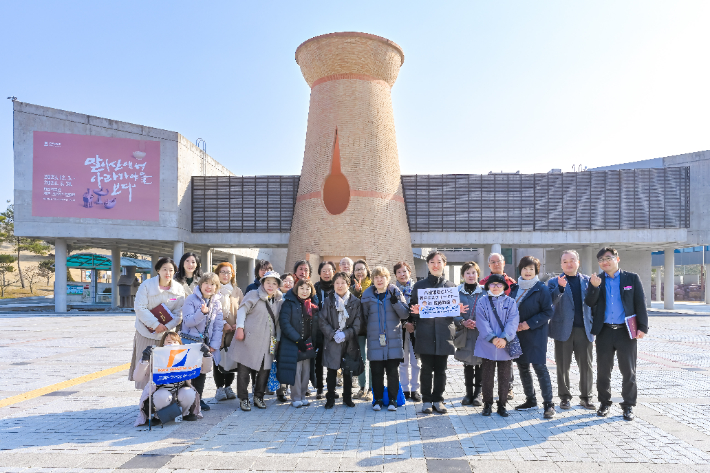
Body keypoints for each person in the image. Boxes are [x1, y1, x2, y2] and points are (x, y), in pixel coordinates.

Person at [585, 247, 648, 421]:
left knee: (628, 371)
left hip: (626, 331)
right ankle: (604, 403)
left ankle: (628, 405)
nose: (605, 262)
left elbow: (640, 304)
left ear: (617, 259)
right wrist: (594, 287)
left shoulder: (631, 278)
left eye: (608, 258)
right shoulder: (597, 280)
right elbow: (589, 302)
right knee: (603, 371)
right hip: (604, 331)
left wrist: (643, 327)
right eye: (601, 260)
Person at [410, 250, 466, 414]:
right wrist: (415, 310)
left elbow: (453, 313)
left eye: (439, 262)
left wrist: (458, 310)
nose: (436, 265)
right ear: (428, 264)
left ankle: (438, 400)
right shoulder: (419, 286)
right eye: (432, 262)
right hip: (425, 333)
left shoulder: (450, 287)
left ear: (444, 265)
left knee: (441, 370)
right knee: (426, 369)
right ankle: (426, 400)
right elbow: (412, 311)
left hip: (444, 334)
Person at [228, 270, 284, 411]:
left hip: (268, 341)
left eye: (274, 283)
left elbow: (278, 321)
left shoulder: (278, 299)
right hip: (249, 338)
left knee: (265, 369)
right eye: (267, 282)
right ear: (262, 282)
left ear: (278, 285)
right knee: (244, 370)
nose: (270, 286)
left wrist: (277, 340)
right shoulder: (253, 294)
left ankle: (259, 396)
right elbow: (242, 310)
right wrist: (240, 328)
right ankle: (243, 398)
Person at [547, 250, 595, 410]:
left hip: (584, 330)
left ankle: (586, 397)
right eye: (565, 261)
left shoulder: (588, 281)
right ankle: (564, 397)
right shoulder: (554, 281)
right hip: (562, 330)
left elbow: (595, 303)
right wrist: (560, 289)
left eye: (572, 260)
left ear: (578, 262)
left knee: (586, 366)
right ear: (561, 264)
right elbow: (550, 302)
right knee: (562, 366)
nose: (569, 263)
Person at [509, 256, 555, 418]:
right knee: (522, 366)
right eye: (525, 268)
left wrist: (528, 323)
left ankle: (549, 403)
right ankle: (530, 399)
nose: (528, 272)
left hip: (535, 334)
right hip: (518, 335)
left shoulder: (541, 288)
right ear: (520, 270)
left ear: (536, 271)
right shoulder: (515, 288)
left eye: (531, 269)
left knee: (539, 367)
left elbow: (548, 311)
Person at [133, 332, 211, 426]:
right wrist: (145, 359)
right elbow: (137, 377)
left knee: (189, 392)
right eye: (169, 341)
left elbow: (205, 369)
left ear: (180, 344)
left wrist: (206, 355)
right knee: (162, 395)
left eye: (175, 341)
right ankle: (158, 415)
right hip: (161, 390)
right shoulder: (156, 356)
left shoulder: (187, 355)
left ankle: (185, 413)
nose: (172, 344)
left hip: (180, 389)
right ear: (163, 344)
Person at [130, 257, 185, 390]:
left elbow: (179, 313)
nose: (168, 273)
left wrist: (167, 326)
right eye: (164, 269)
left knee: (165, 366)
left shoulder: (178, 289)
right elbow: (139, 307)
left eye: (171, 270)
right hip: (145, 332)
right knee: (145, 364)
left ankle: (163, 397)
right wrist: (155, 325)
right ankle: (146, 400)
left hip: (167, 336)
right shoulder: (146, 285)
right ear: (158, 270)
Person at [361, 266, 409, 411]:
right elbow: (363, 317)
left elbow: (405, 314)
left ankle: (393, 400)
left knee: (392, 372)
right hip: (375, 340)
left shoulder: (395, 292)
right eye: (376, 277)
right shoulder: (367, 295)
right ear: (373, 280)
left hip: (393, 340)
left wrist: (395, 302)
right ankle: (378, 400)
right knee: (376, 372)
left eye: (382, 277)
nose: (379, 280)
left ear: (388, 279)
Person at [475, 274, 520, 417]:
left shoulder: (511, 302)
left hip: (505, 344)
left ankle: (502, 404)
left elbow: (513, 321)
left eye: (499, 284)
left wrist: (505, 338)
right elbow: (481, 322)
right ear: (488, 286)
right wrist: (493, 338)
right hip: (487, 344)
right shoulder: (482, 301)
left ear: (504, 286)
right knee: (487, 376)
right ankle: (487, 404)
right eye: (492, 284)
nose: (495, 287)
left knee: (504, 376)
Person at [180, 272, 224, 412]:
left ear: (216, 287)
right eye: (206, 283)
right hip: (190, 341)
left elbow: (218, 326)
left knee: (202, 372)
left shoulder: (217, 302)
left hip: (205, 343)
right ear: (200, 284)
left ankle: (198, 399)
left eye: (212, 284)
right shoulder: (191, 299)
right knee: (189, 373)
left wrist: (214, 345)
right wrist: (202, 313)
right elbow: (188, 321)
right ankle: (186, 400)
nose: (209, 287)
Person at [319, 272, 362, 408]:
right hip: (332, 341)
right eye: (337, 283)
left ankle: (347, 397)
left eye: (343, 282)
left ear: (348, 285)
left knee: (347, 370)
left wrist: (346, 334)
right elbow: (322, 320)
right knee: (331, 371)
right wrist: (332, 334)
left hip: (349, 341)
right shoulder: (328, 300)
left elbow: (358, 322)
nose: (339, 285)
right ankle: (330, 397)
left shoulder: (355, 302)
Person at [479, 252, 517, 400]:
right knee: (487, 363)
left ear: (504, 263)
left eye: (498, 261)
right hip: (488, 330)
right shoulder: (482, 283)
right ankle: (486, 392)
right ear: (488, 265)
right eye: (492, 262)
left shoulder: (512, 284)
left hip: (507, 329)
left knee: (507, 361)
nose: (496, 264)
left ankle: (508, 388)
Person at [278, 278, 319, 407]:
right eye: (302, 288)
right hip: (293, 343)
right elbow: (284, 323)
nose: (304, 291)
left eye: (308, 289)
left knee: (306, 371)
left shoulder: (313, 304)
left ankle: (302, 395)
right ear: (296, 289)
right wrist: (297, 339)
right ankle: (295, 398)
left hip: (308, 343)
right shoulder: (288, 303)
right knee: (296, 371)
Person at [455, 261, 485, 407]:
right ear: (463, 275)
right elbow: (451, 312)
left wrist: (480, 322)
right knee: (467, 364)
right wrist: (462, 321)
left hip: (481, 334)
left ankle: (478, 394)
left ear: (478, 274)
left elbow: (490, 311)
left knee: (480, 363)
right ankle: (468, 394)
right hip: (464, 333)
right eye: (468, 273)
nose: (471, 275)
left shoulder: (485, 292)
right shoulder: (456, 292)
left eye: (473, 272)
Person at [213, 262, 244, 402]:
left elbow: (243, 309)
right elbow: (212, 311)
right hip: (218, 330)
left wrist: (239, 324)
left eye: (228, 272)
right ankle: (219, 388)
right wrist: (223, 323)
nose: (226, 275)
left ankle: (228, 386)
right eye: (223, 272)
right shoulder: (213, 289)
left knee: (231, 358)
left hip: (234, 330)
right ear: (217, 274)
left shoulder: (237, 291)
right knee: (218, 359)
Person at [393, 261, 420, 402]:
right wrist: (405, 324)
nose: (402, 274)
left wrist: (413, 323)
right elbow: (392, 311)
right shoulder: (392, 290)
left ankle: (415, 389)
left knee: (416, 361)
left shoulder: (417, 288)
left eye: (404, 271)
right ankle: (404, 389)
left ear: (409, 272)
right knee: (403, 361)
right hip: (400, 330)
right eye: (399, 272)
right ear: (395, 275)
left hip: (417, 330)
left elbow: (423, 308)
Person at [312, 261, 337, 398]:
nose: (327, 273)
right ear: (319, 273)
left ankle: (331, 388)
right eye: (324, 271)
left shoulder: (337, 287)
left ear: (334, 272)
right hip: (319, 330)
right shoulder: (315, 288)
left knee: (333, 359)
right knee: (319, 360)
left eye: (329, 270)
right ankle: (319, 387)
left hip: (334, 329)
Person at [350, 259, 373, 400]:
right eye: (357, 269)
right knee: (361, 358)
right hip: (358, 327)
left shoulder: (373, 285)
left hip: (372, 326)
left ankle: (371, 389)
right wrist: (356, 292)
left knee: (372, 357)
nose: (359, 271)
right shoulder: (351, 287)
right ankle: (361, 387)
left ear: (367, 270)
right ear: (353, 272)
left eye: (362, 268)